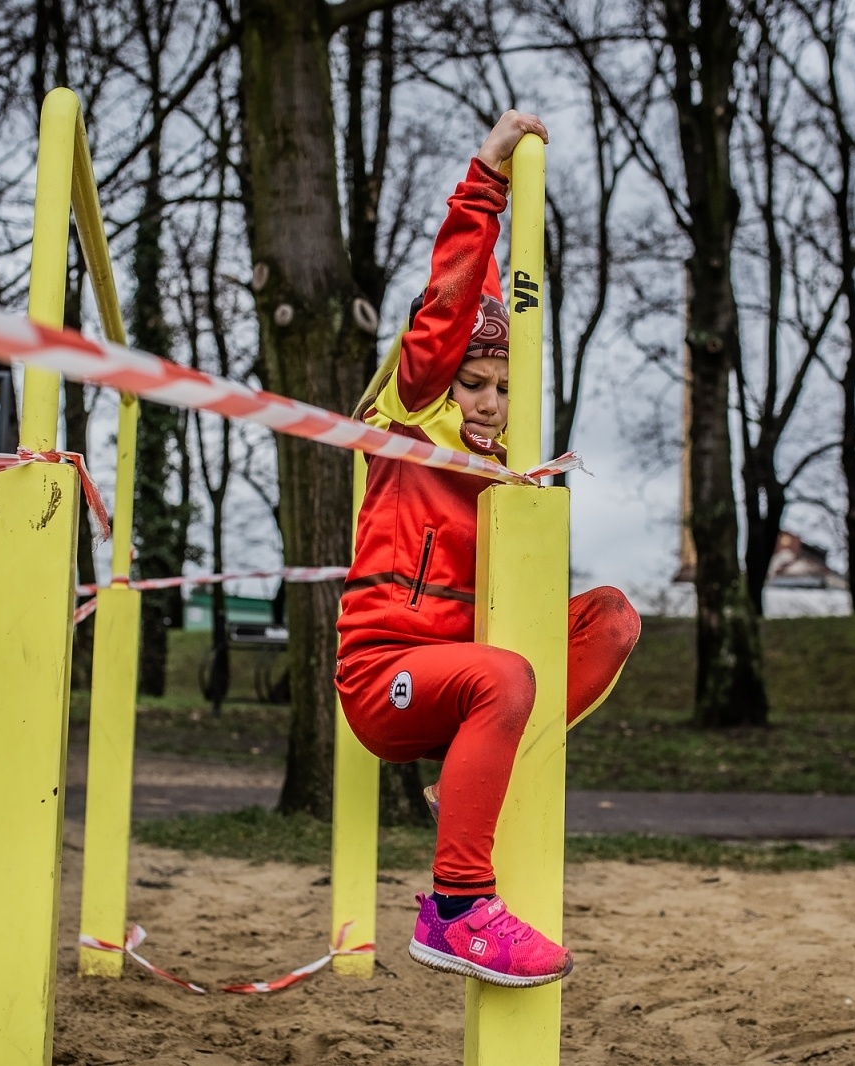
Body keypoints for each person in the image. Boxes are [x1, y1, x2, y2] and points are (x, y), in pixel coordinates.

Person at [335, 110, 642, 989]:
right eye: (474, 381)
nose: (489, 404)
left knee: (609, 621)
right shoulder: (412, 427)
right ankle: (457, 908)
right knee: (502, 674)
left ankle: (454, 793)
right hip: (383, 676)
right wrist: (487, 182)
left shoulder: (507, 475)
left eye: (506, 389)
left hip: (463, 676)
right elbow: (447, 309)